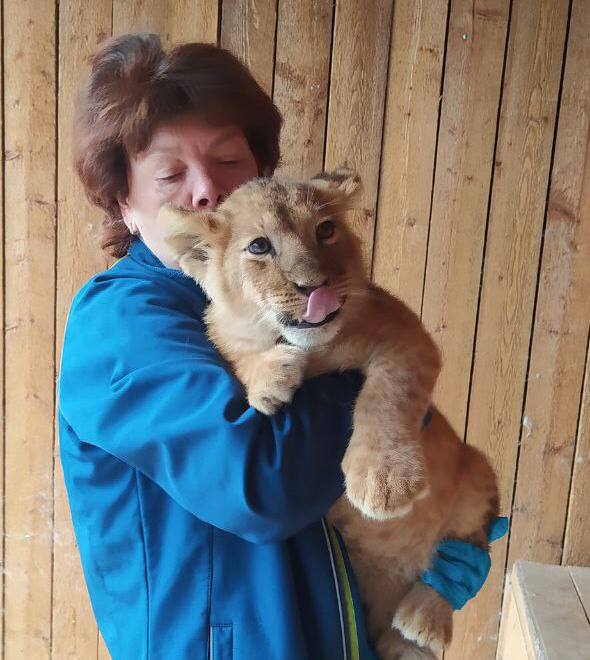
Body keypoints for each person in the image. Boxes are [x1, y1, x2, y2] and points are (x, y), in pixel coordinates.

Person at [58, 33, 506, 660]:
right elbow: (260, 486)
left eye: (229, 161)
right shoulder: (123, 321)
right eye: (170, 173)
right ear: (124, 201)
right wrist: (378, 366)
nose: (207, 190)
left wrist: (423, 544)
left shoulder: (275, 294)